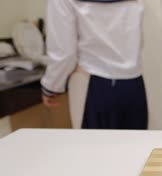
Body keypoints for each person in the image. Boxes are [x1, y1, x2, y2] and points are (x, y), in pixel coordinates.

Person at [41, 0, 148, 129]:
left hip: (92, 85)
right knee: (134, 147)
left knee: (92, 147)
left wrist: (51, 86)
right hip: (133, 84)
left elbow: (64, 54)